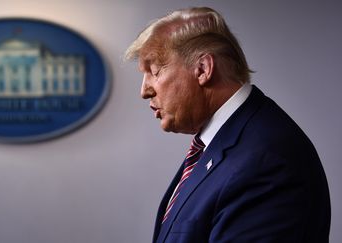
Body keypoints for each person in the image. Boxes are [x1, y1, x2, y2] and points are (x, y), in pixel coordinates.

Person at [124, 7, 331, 243]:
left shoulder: (267, 160)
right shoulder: (222, 144)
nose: (144, 91)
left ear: (203, 69)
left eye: (154, 71)